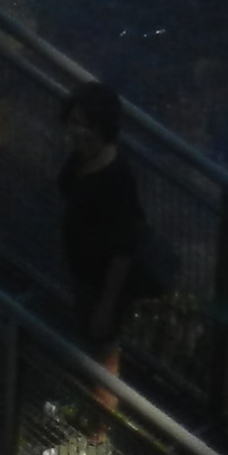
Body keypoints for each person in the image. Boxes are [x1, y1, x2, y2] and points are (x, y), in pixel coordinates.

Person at [57, 80, 161, 382]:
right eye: (75, 123)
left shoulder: (115, 179)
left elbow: (124, 249)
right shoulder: (81, 157)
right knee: (89, 341)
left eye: (89, 126)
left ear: (105, 128)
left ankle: (99, 427)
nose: (79, 132)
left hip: (100, 282)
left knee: (104, 352)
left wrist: (107, 303)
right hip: (83, 272)